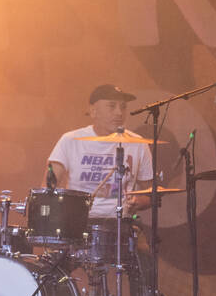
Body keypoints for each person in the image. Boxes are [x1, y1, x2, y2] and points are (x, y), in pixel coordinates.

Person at [48, 84, 154, 220]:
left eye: (123, 107)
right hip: (78, 224)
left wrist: (139, 202)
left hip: (121, 224)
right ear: (93, 111)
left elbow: (151, 194)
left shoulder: (138, 144)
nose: (119, 112)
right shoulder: (70, 140)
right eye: (111, 106)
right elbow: (47, 188)